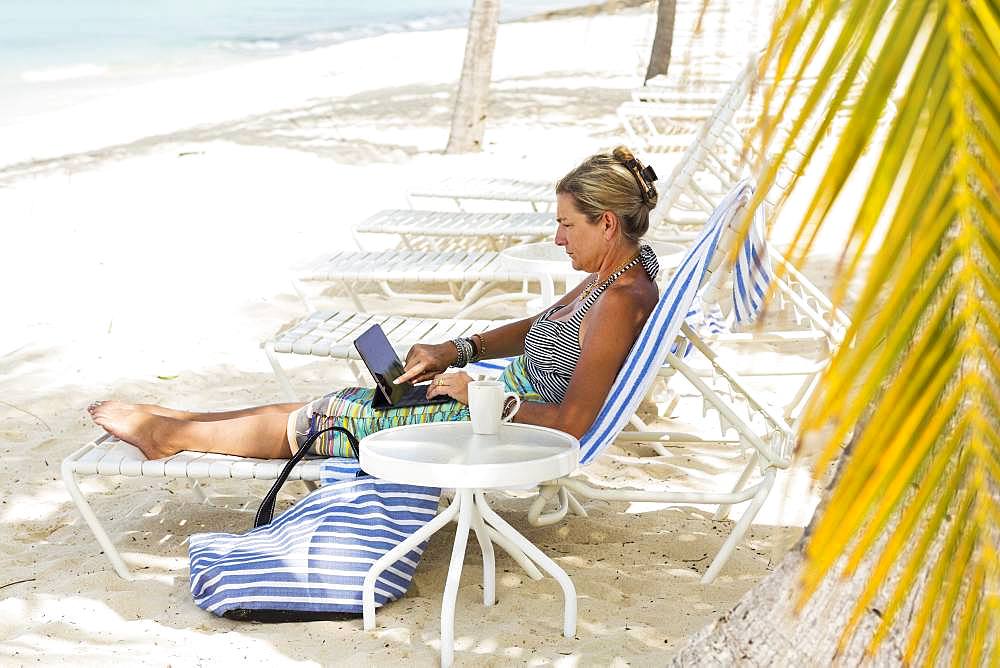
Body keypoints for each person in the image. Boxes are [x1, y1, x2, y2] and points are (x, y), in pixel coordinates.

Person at [88, 146, 661, 460]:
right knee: (344, 398)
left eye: (566, 225)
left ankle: (171, 436)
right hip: (490, 399)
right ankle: (182, 420)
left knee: (330, 419)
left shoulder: (620, 298)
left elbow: (575, 425)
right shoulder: (618, 273)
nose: (558, 239)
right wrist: (457, 350)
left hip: (503, 426)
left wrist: (485, 393)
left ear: (606, 222)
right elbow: (545, 325)